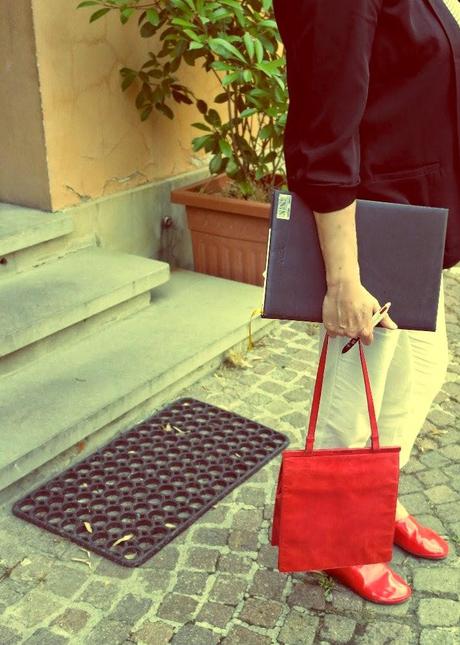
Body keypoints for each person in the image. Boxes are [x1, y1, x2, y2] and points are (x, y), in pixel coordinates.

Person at [273, 0, 460, 604]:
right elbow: (325, 130)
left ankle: (378, 498)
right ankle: (339, 540)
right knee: (356, 394)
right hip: (368, 227)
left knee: (423, 367)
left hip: (412, 223)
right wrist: (342, 280)